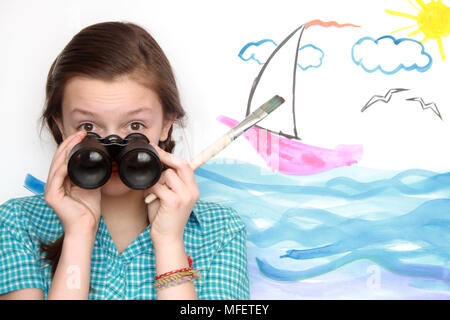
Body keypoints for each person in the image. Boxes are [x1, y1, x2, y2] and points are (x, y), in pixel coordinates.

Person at [0, 21, 249, 300]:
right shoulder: (18, 223)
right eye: (88, 128)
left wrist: (169, 243)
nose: (113, 146)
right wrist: (79, 235)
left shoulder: (220, 230)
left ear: (166, 124)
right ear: (60, 126)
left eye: (135, 127)